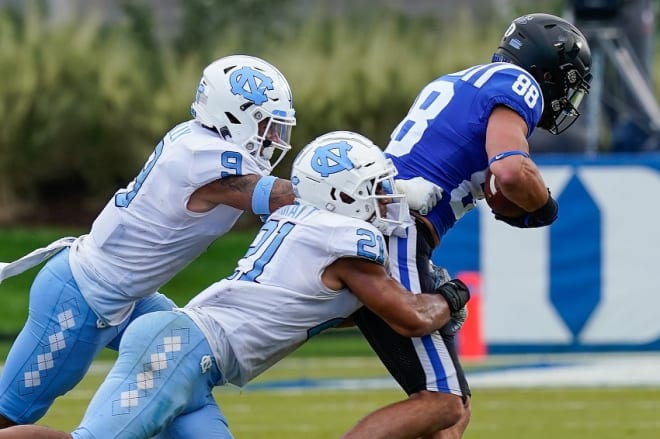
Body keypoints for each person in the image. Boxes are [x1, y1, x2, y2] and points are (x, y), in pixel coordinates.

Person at [0, 131, 471, 439]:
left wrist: (434, 303)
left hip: (189, 355)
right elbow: (410, 318)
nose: (386, 201)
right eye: (375, 189)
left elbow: (319, 313)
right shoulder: (347, 242)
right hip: (178, 351)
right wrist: (452, 296)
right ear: (340, 197)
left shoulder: (305, 225)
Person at [0, 54, 298, 428]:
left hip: (129, 295)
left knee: (180, 368)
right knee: (9, 416)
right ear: (234, 115)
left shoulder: (198, 138)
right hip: (82, 298)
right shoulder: (203, 157)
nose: (273, 138)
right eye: (267, 126)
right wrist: (338, 187)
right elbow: (277, 197)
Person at [344, 13, 592, 439]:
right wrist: (544, 206)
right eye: (568, 80)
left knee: (451, 412)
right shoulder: (519, 84)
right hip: (397, 228)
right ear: (545, 70)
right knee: (444, 403)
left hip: (376, 220)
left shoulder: (460, 81)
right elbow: (512, 172)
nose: (567, 95)